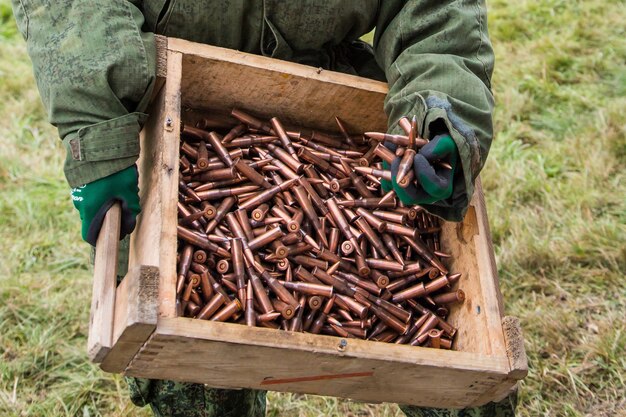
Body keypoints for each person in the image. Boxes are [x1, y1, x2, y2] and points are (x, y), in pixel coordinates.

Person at [12, 1, 518, 416]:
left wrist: (437, 115)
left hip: (336, 115)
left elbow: (435, 12)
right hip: (173, 122)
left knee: (466, 390)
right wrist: (98, 131)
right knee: (194, 387)